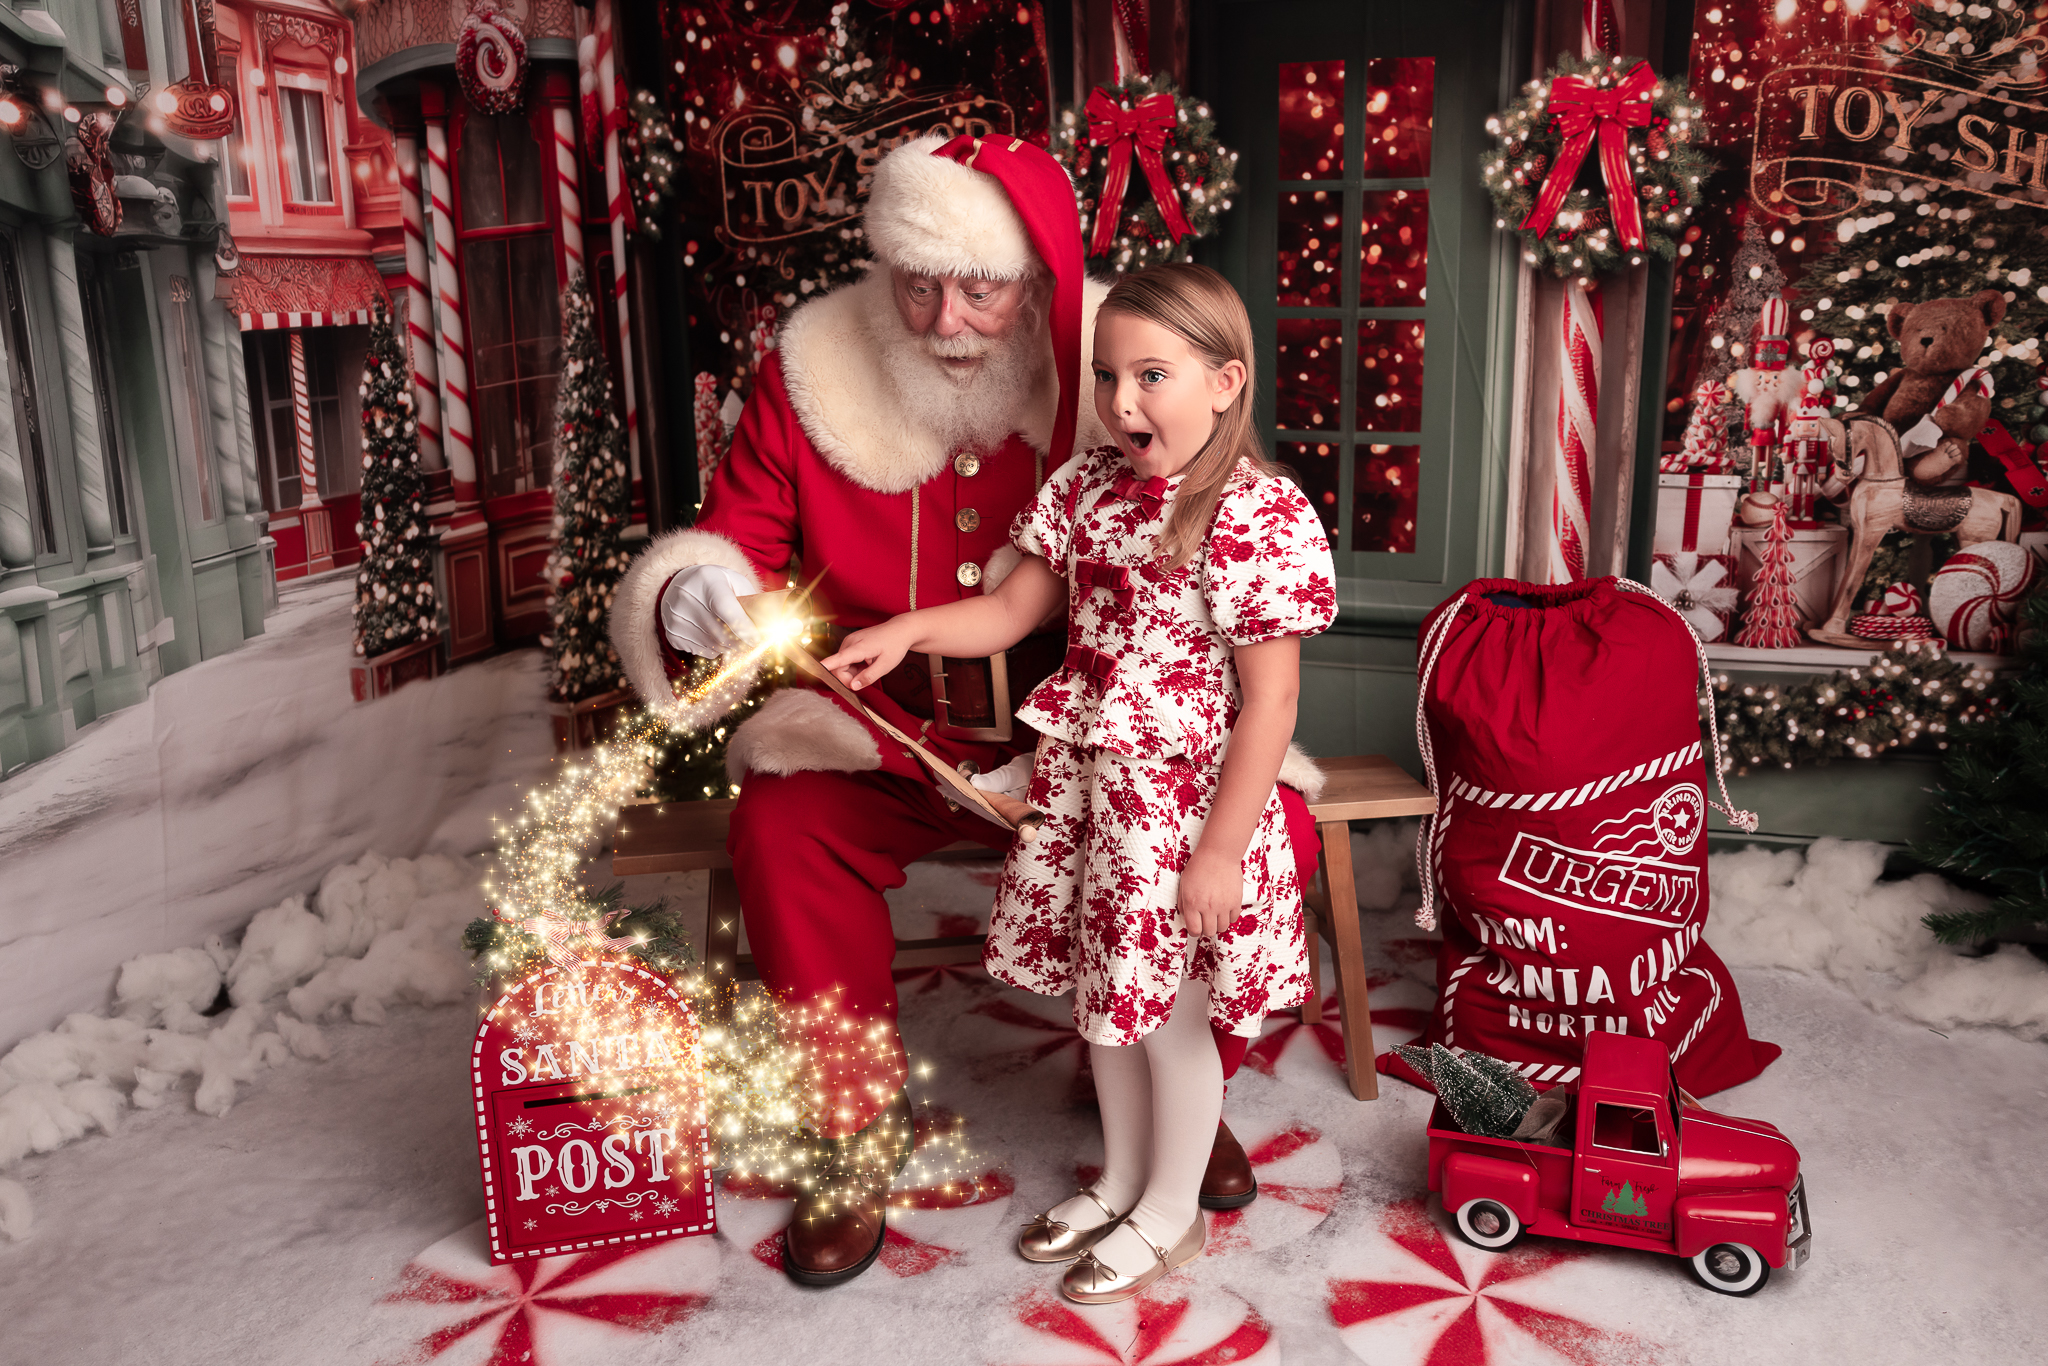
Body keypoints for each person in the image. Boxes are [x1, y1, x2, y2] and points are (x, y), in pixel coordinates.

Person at [610, 138, 1316, 1286]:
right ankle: (847, 1133)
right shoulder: (808, 369)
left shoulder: (1129, 357)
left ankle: (1168, 1108)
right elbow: (736, 539)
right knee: (782, 836)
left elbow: (1243, 620)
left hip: (1092, 751)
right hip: (885, 736)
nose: (949, 317)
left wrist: (1220, 817)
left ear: (1034, 281)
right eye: (919, 281)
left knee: (1255, 845)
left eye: (982, 286)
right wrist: (695, 590)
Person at [822, 263, 1337, 1304]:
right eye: (1107, 375)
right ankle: (1121, 1182)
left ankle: (1170, 1208)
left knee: (1174, 1016)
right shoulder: (1091, 487)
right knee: (1105, 1001)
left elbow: (1269, 705)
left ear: (1225, 381)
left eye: (1152, 374)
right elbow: (1010, 611)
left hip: (1183, 806)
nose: (1120, 401)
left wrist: (1222, 850)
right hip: (1092, 790)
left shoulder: (1254, 513)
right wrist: (910, 629)